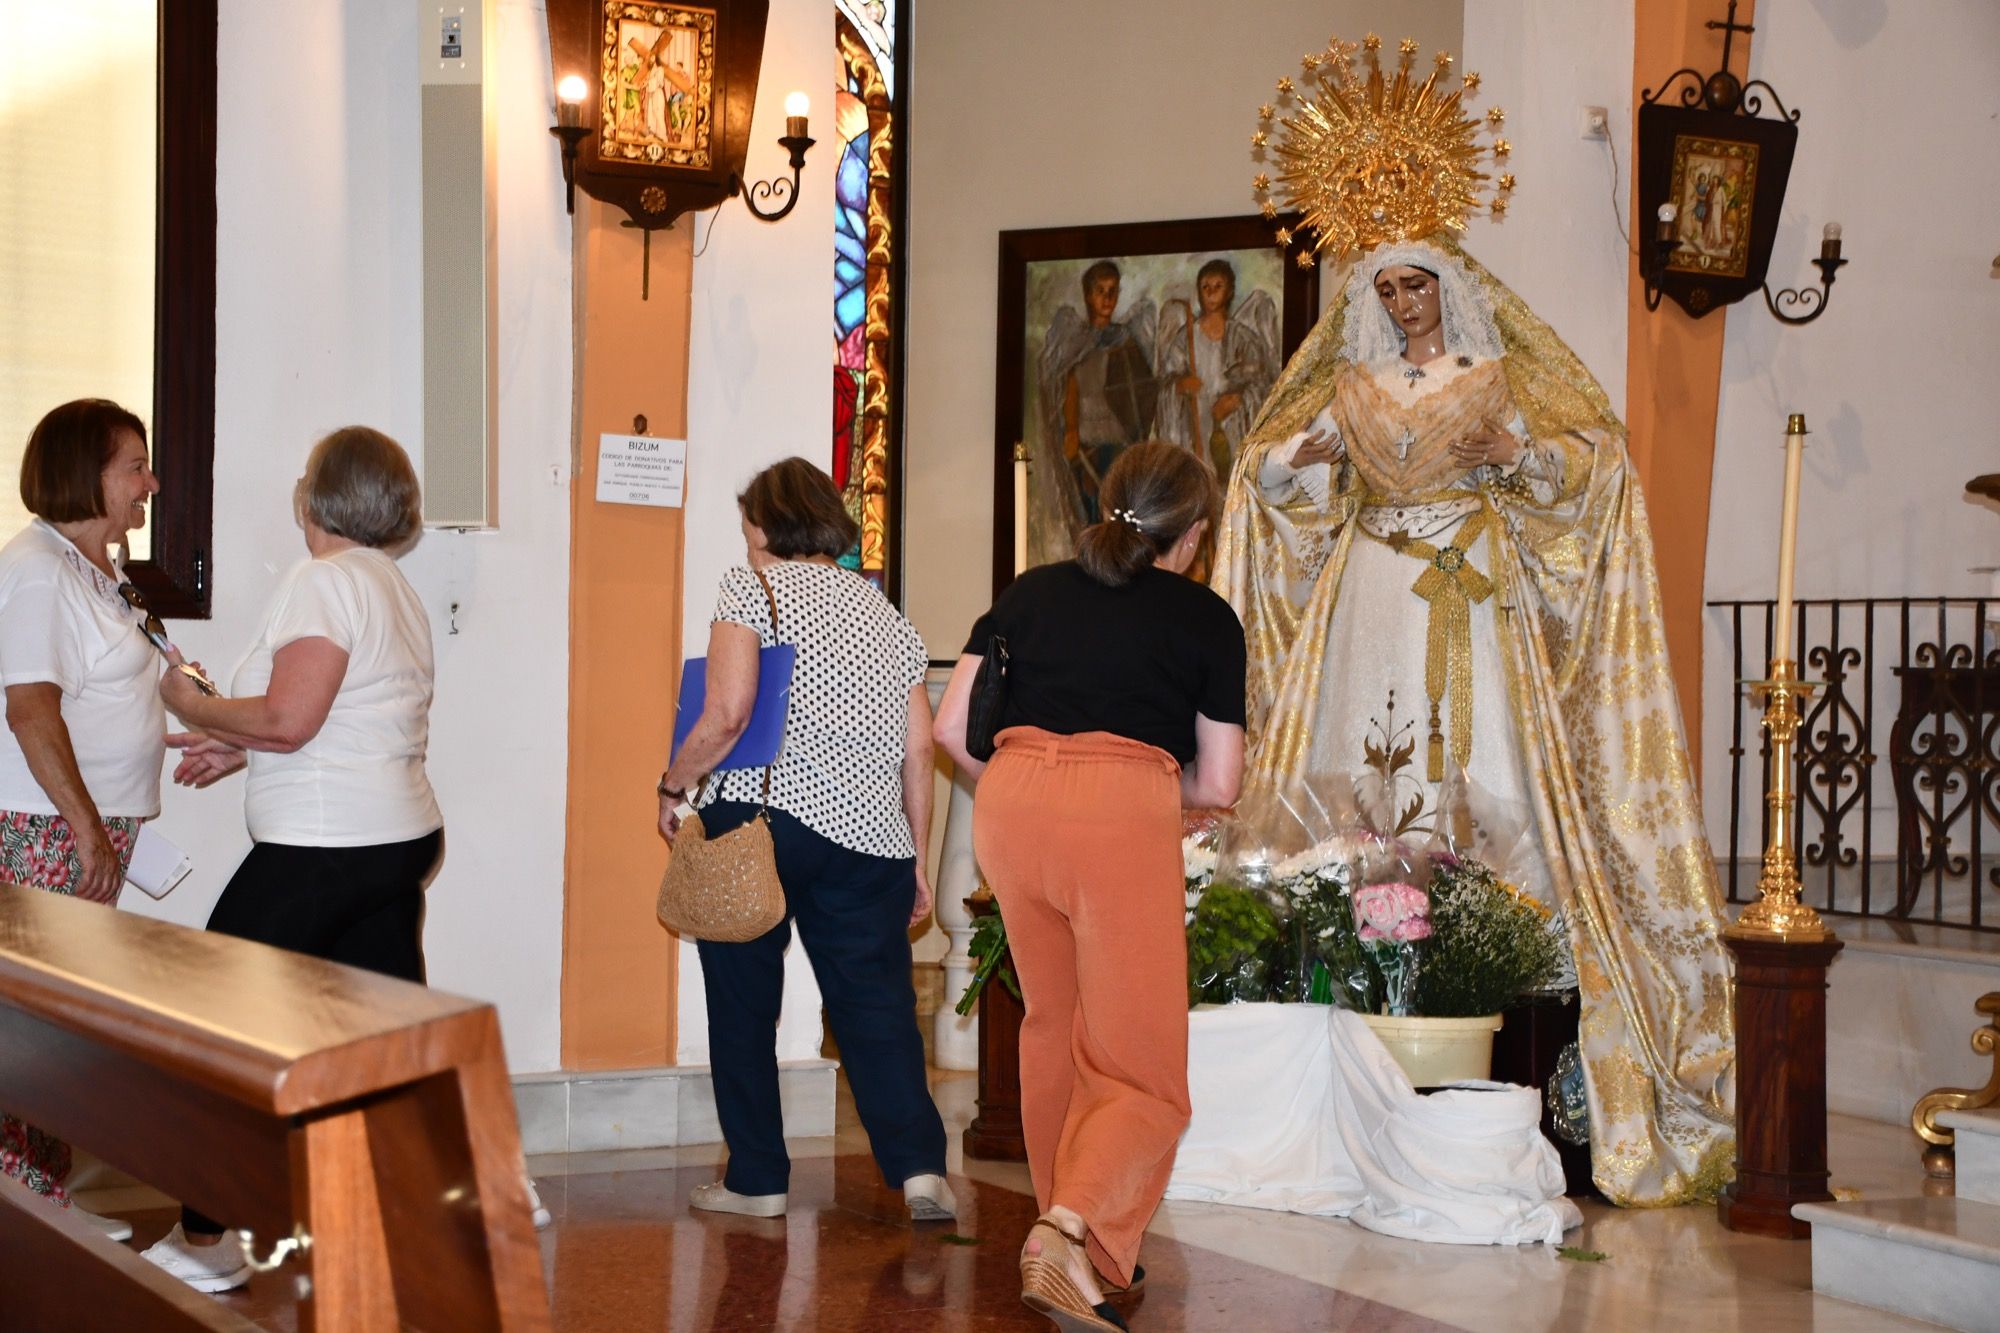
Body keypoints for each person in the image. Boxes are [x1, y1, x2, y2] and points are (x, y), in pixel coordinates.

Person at [1216, 236, 1736, 1206]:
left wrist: (1516, 454)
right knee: (1364, 753)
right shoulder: (1351, 382)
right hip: (1369, 584)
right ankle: (1357, 906)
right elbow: (1268, 479)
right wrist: (1298, 459)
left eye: (1418, 284)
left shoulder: (1493, 375)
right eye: (1388, 288)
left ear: (1447, 290)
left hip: (1466, 578)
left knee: (1473, 746)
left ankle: (1492, 921)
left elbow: (1593, 465)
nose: (1405, 301)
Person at [937, 441, 1246, 1332]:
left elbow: (955, 730)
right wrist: (1158, 796)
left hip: (1013, 804)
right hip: (1117, 810)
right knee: (1142, 1065)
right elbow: (1219, 784)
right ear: (1191, 535)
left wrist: (1023, 780)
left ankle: (1078, 1243)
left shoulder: (1029, 590)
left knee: (1056, 1028)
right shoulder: (1203, 616)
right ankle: (1071, 1229)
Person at [141, 426, 449, 1291]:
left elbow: (290, 718)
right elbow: (347, 718)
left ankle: (209, 1238)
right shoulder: (391, 584)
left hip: (328, 845)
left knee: (213, 1018)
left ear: (313, 497)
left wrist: (193, 703)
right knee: (383, 1034)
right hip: (393, 837)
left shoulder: (324, 580)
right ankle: (419, 1210)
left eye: (305, 474)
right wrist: (244, 749)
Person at [659, 457, 952, 1225]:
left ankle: (758, 1179)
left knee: (744, 1000)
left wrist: (673, 785)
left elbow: (726, 712)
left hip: (767, 823)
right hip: (871, 840)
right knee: (876, 1006)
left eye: (749, 522)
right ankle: (922, 1170)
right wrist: (916, 854)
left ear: (766, 525)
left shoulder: (749, 588)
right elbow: (918, 751)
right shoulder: (888, 616)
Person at [0, 398, 162, 1242]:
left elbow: (105, 695)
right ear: (83, 473)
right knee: (34, 1031)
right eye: (134, 466)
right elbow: (30, 708)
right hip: (47, 833)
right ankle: (28, 1214)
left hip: (78, 832)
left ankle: (39, 1206)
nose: (150, 483)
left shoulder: (87, 565)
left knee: (53, 1030)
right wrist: (89, 830)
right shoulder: (38, 568)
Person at [1035, 261, 1158, 539]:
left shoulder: (1125, 341)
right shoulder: (1076, 343)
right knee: (1090, 517)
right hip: (1086, 445)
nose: (1107, 298)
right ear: (1088, 295)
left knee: (1120, 521)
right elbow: (1067, 387)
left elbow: (1141, 392)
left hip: (1119, 444)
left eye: (1112, 291)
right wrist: (1071, 431)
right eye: (1100, 291)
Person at [1153, 258, 1280, 481]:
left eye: (1217, 286)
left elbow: (1262, 385)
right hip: (1194, 424)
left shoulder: (1243, 338)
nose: (1211, 293)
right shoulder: (1186, 338)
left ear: (1229, 291)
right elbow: (1166, 382)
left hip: (1231, 425)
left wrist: (1237, 400)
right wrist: (1180, 385)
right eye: (1205, 287)